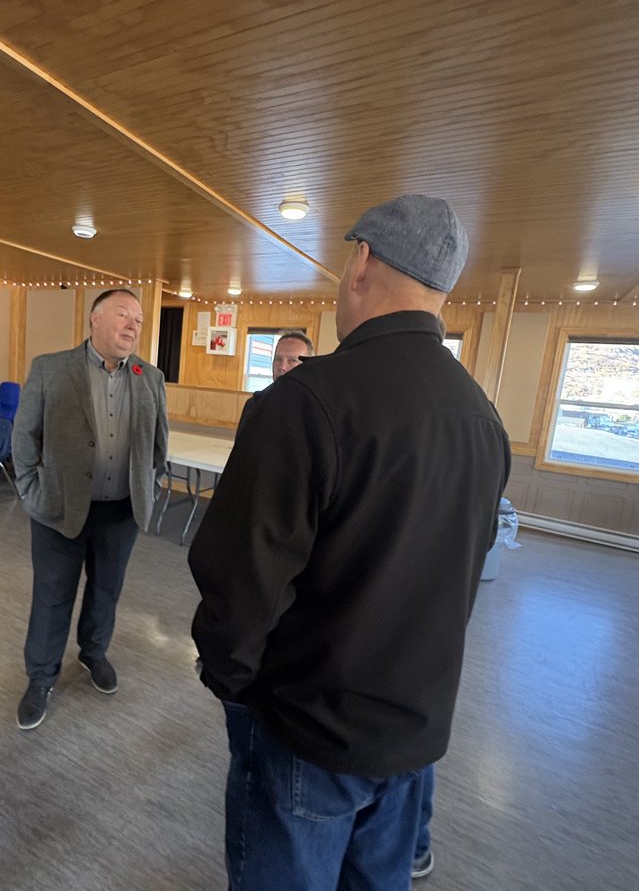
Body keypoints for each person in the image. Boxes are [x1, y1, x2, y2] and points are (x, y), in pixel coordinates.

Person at [190, 194, 511, 889]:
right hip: (415, 736)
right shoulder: (482, 420)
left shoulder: (304, 403)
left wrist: (234, 685)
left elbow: (239, 578)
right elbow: (465, 571)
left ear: (362, 261)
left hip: (308, 729)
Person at [12, 288, 168, 730]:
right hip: (58, 509)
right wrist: (30, 490)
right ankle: (41, 678)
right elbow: (25, 438)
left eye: (138, 318)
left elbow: (159, 446)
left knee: (106, 592)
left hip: (120, 513)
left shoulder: (149, 378)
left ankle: (94, 653)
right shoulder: (51, 369)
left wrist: (149, 488)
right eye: (123, 314)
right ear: (94, 320)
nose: (133, 324)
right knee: (51, 596)